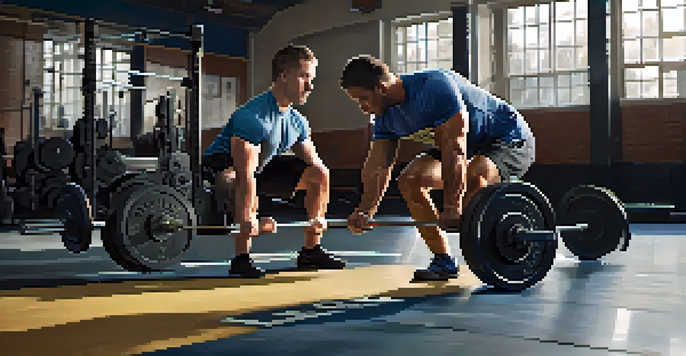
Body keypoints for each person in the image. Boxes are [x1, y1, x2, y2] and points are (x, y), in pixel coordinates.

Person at [340, 55, 535, 282]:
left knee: (474, 178)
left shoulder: (434, 87)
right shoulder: (385, 118)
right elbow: (378, 166)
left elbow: (455, 149)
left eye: (363, 99)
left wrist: (452, 205)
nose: (363, 108)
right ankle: (443, 260)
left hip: (508, 139)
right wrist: (366, 211)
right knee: (410, 181)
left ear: (381, 88)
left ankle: (507, 223)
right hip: (466, 145)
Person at [203, 44, 345, 278]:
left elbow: (318, 166)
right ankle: (241, 257)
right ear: (283, 76)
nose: (310, 86)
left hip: (260, 166)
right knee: (238, 180)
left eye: (312, 78)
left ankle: (311, 250)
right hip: (221, 168)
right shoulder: (253, 116)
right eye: (304, 77)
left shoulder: (297, 121)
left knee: (319, 173)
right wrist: (250, 219)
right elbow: (245, 173)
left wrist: (319, 218)